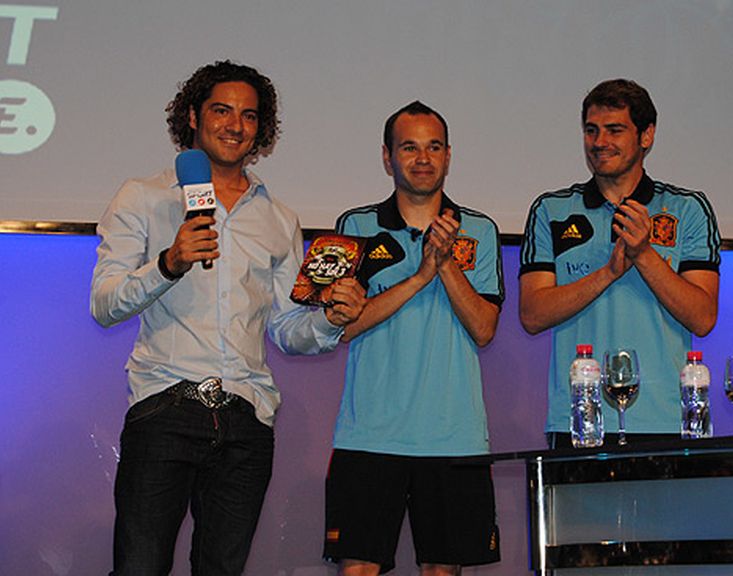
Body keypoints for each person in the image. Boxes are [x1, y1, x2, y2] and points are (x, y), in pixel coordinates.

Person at [90, 60, 366, 576]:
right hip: (164, 408)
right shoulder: (144, 197)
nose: (235, 125)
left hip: (246, 419)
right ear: (192, 116)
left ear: (261, 129)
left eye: (248, 116)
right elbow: (105, 304)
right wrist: (168, 264)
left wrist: (330, 319)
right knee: (139, 568)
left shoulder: (278, 218)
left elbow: (288, 329)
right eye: (221, 111)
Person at [323, 101, 502, 576]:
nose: (423, 158)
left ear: (448, 156)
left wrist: (445, 264)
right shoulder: (356, 227)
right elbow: (344, 327)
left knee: (442, 570)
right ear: (387, 157)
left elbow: (484, 328)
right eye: (409, 147)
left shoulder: (479, 230)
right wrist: (420, 275)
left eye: (434, 147)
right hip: (370, 433)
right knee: (358, 568)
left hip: (452, 435)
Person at [520, 79, 721, 448]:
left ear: (647, 136)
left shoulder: (687, 209)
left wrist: (644, 254)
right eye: (591, 131)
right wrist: (608, 273)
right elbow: (532, 315)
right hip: (580, 420)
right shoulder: (551, 210)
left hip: (664, 421)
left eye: (614, 130)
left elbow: (703, 317)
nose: (599, 142)